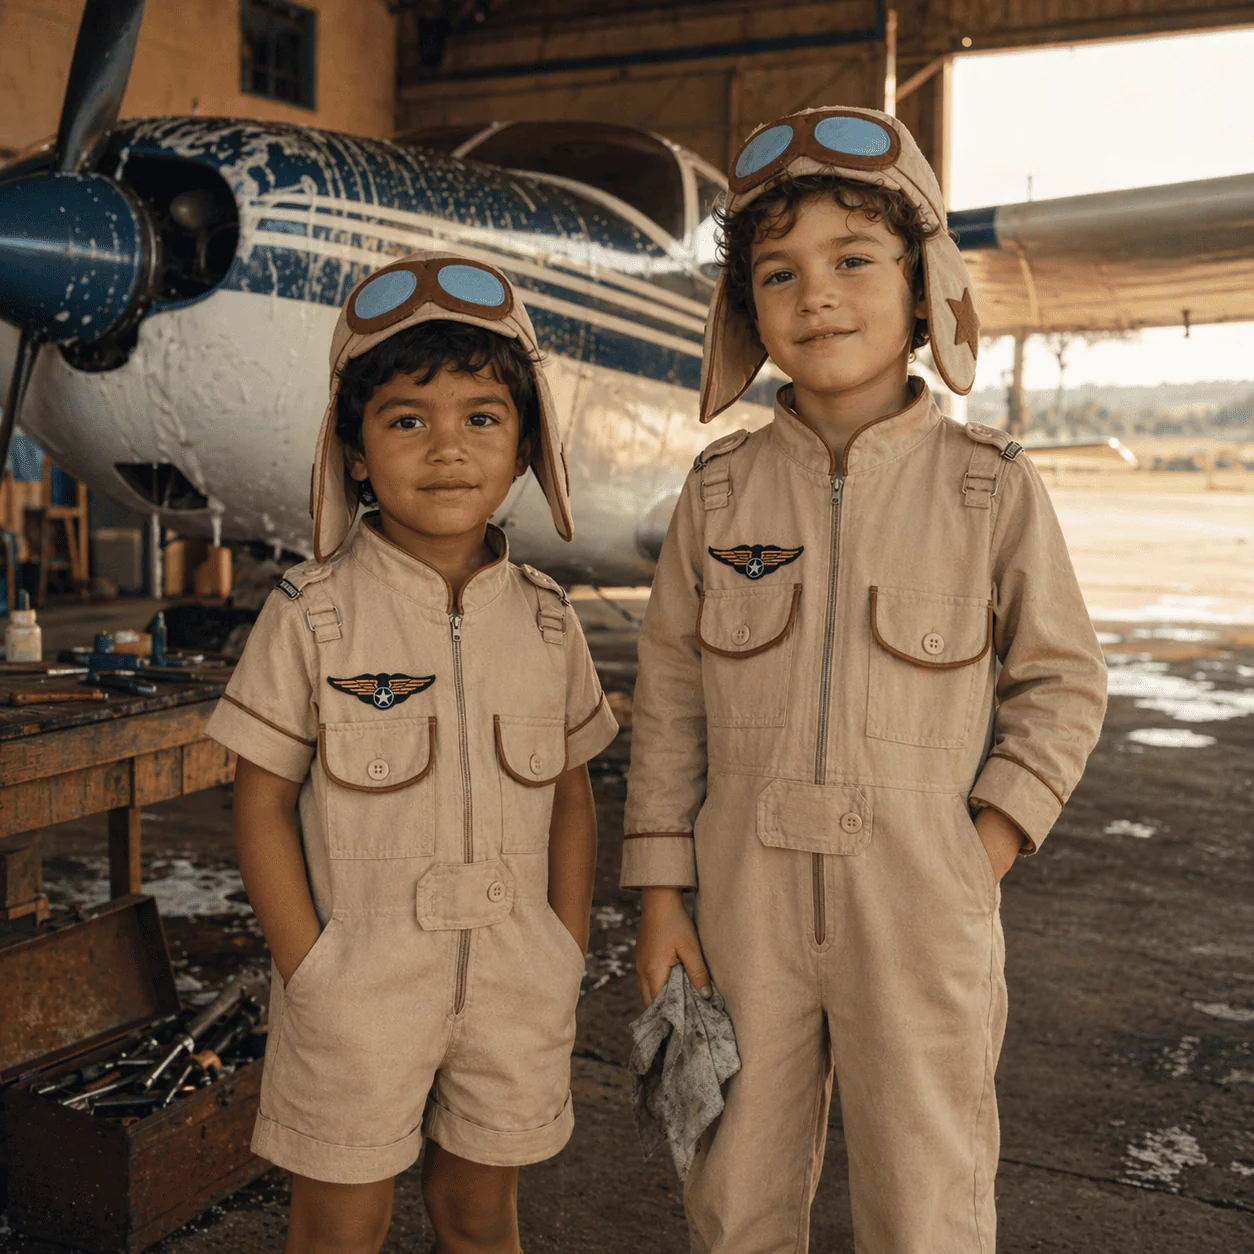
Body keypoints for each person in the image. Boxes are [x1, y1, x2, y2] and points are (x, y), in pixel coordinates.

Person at [623, 107, 1107, 1252]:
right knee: (734, 1200)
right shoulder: (722, 493)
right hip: (742, 910)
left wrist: (980, 846)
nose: (817, 296)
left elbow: (1064, 680)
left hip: (922, 909)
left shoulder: (989, 486)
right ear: (746, 312)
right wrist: (658, 896)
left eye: (853, 260)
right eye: (779, 273)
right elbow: (670, 697)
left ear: (925, 282)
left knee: (926, 1206)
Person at [207, 251, 617, 1254]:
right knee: (338, 1228)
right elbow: (259, 804)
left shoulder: (553, 623)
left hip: (518, 982)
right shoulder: (310, 617)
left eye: (482, 417)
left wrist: (562, 947)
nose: (447, 449)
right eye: (406, 420)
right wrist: (311, 966)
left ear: (525, 447)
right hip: (358, 991)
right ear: (354, 450)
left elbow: (573, 797)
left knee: (478, 1218)